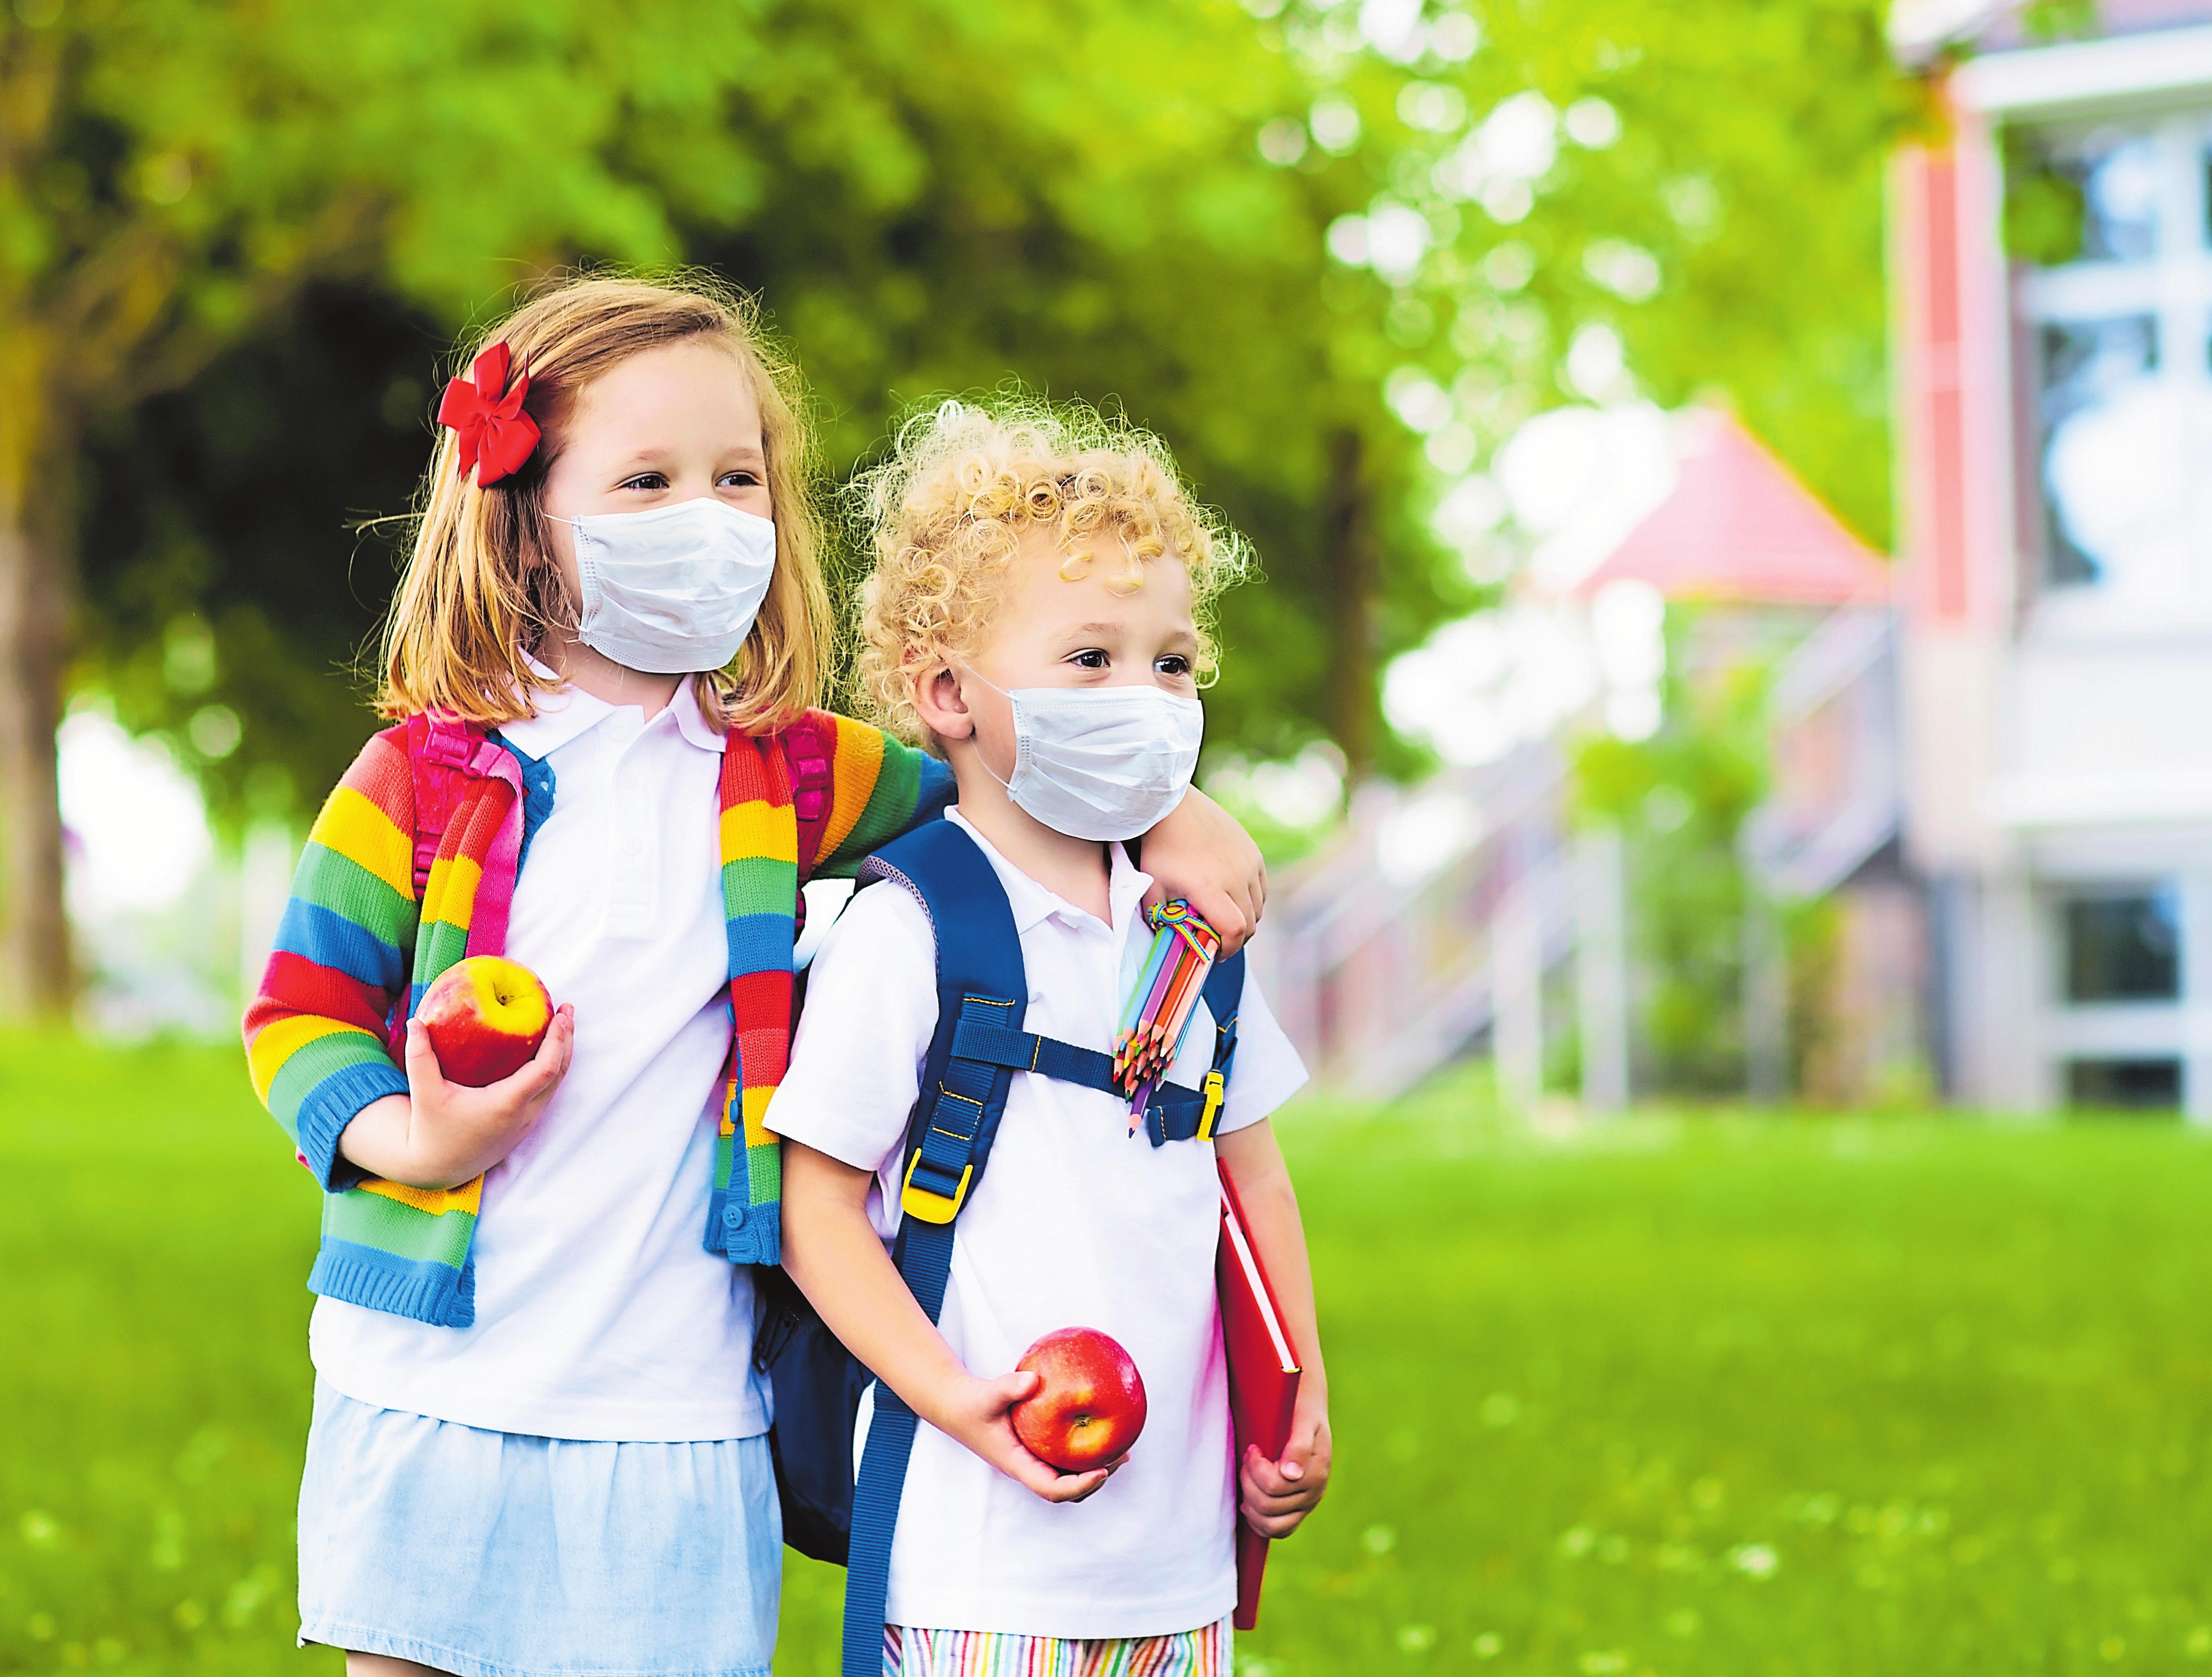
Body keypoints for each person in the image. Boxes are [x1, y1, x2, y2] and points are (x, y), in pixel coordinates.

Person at [241, 278, 1269, 1677]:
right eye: (648, 481)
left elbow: (998, 782)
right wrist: (411, 1134)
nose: (709, 521)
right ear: (524, 521)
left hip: (681, 1397)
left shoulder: (788, 772)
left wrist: (1165, 813)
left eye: (738, 480)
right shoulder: (422, 778)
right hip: (434, 1373)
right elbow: (301, 1015)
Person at [769, 400, 1332, 1677]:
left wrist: (1297, 1402)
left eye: (1172, 663)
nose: (1146, 700)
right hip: (979, 1563)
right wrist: (948, 1398)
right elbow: (817, 1209)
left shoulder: (1191, 939)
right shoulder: (909, 931)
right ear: (947, 693)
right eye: (1090, 660)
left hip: (1174, 1567)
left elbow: (1252, 1174)